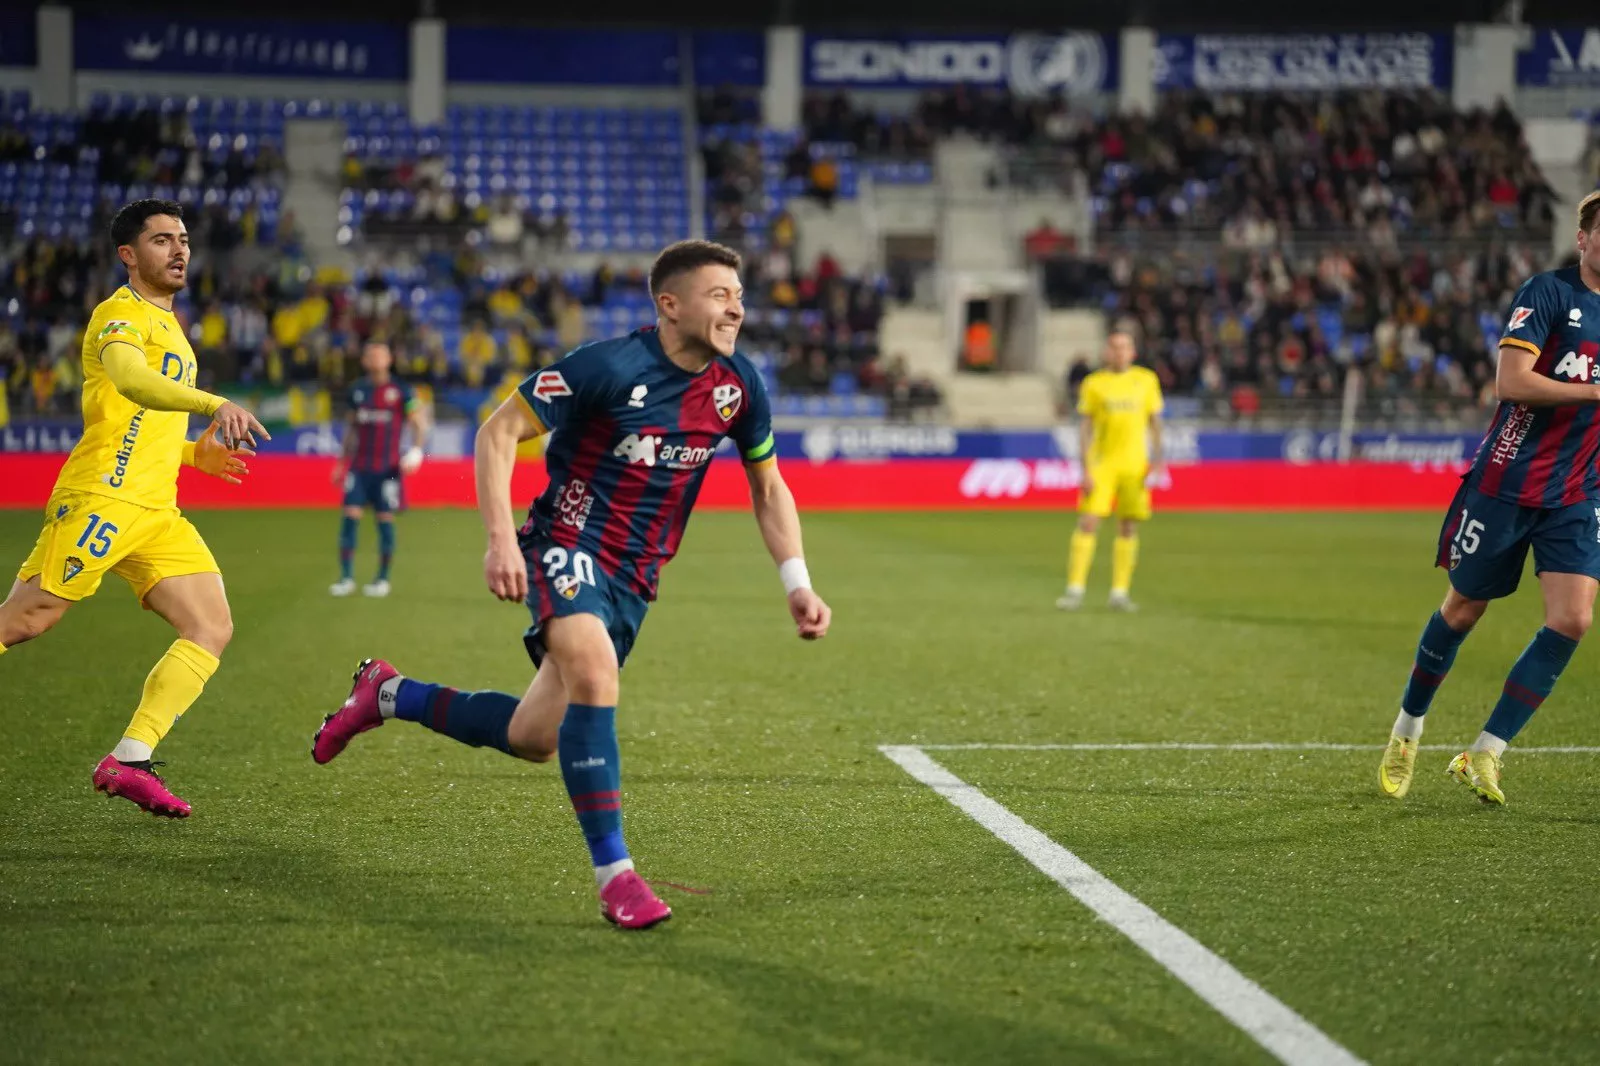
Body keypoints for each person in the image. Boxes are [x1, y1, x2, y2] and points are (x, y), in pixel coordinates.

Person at [311, 240, 832, 928]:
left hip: (636, 578)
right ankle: (617, 877)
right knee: (593, 673)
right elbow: (498, 433)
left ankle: (388, 693)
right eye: (719, 294)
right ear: (669, 306)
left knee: (534, 737)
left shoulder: (739, 387)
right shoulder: (607, 367)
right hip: (567, 541)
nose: (735, 306)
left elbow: (768, 485)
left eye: (739, 295)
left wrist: (796, 580)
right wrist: (502, 541)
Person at [0, 199, 265, 817]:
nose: (178, 250)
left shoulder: (172, 326)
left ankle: (130, 758)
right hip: (102, 498)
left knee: (211, 626)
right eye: (161, 240)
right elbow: (129, 383)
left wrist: (194, 458)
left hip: (156, 511)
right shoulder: (118, 315)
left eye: (183, 239)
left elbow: (144, 423)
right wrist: (211, 404)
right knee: (26, 621)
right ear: (129, 255)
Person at [1380, 191, 1600, 806]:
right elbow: (1512, 382)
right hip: (1507, 482)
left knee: (1573, 619)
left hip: (1579, 491)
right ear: (1583, 239)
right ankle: (1408, 726)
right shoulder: (1548, 293)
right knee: (1463, 611)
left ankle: (1484, 753)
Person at [1058, 328, 1165, 612]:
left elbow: (1154, 422)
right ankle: (1075, 589)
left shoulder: (1146, 380)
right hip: (1102, 464)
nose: (1119, 352)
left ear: (1133, 352)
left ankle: (1119, 592)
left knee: (1128, 526)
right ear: (1107, 352)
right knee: (1089, 521)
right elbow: (1085, 427)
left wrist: (1158, 459)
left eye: (1124, 347)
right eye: (1115, 347)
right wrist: (1085, 468)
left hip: (1134, 465)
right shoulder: (1095, 383)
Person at [330, 342, 428, 598]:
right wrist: (341, 464)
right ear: (364, 360)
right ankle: (346, 578)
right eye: (370, 354)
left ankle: (382, 579)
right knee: (350, 518)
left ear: (389, 359)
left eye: (380, 354)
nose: (375, 359)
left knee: (385, 520)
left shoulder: (401, 391)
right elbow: (351, 429)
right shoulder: (357, 391)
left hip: (388, 469)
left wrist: (417, 450)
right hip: (359, 468)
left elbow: (418, 422)